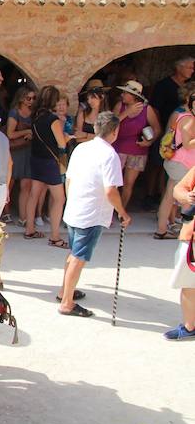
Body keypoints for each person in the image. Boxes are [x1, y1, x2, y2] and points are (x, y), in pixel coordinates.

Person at [59, 112, 131, 317]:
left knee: (73, 252)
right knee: (78, 257)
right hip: (92, 213)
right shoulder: (110, 155)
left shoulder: (81, 148)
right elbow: (111, 190)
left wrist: (70, 201)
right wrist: (122, 213)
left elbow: (69, 179)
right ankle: (67, 302)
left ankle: (65, 291)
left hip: (75, 207)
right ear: (115, 131)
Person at [25, 86, 74, 248]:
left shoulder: (36, 117)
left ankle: (29, 229)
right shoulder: (53, 120)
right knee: (60, 199)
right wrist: (68, 137)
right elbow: (61, 143)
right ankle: (55, 236)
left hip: (36, 159)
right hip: (50, 162)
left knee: (34, 195)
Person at [112, 80, 160, 209]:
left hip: (138, 151)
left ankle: (121, 210)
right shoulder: (119, 106)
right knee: (113, 183)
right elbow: (111, 124)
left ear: (134, 96)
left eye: (125, 93)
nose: (122, 95)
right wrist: (126, 113)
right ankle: (109, 212)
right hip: (118, 148)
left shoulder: (147, 109)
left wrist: (149, 142)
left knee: (129, 183)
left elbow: (157, 129)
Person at [155, 88, 195, 239]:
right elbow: (187, 143)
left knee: (169, 197)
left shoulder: (181, 115)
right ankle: (187, 234)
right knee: (186, 199)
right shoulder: (189, 119)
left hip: (176, 161)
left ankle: (161, 230)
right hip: (182, 163)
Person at [166, 167, 195, 340]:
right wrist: (187, 197)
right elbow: (178, 189)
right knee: (189, 283)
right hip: (191, 236)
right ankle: (190, 326)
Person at [6, 85, 36, 225]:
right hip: (15, 151)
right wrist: (26, 132)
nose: (31, 101)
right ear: (21, 98)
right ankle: (6, 212)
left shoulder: (33, 112)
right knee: (9, 183)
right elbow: (10, 134)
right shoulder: (14, 113)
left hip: (28, 151)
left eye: (33, 98)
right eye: (28, 98)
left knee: (26, 184)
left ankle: (23, 217)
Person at [74, 80, 108, 144]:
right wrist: (96, 137)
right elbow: (77, 138)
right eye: (88, 98)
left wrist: (85, 135)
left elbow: (106, 139)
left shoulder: (107, 116)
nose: (89, 101)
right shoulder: (83, 114)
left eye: (92, 97)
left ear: (102, 97)